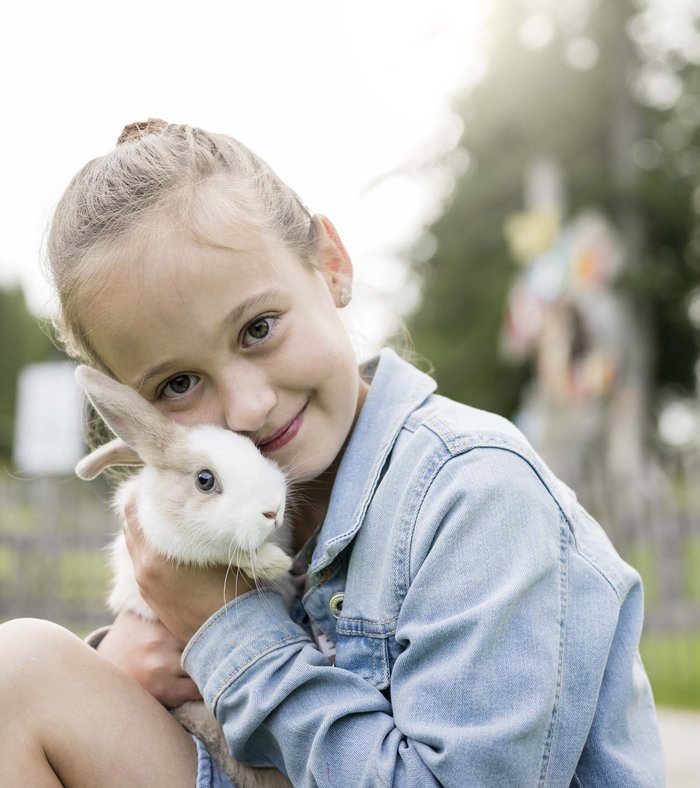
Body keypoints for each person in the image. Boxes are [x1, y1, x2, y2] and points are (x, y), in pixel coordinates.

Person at [0, 119, 664, 787]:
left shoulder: (476, 494)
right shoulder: (204, 519)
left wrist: (228, 633)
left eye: (258, 329)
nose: (247, 408)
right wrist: (131, 663)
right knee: (18, 673)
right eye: (178, 384)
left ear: (332, 266)